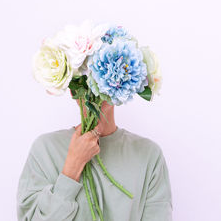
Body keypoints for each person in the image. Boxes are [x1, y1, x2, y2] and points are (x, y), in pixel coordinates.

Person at [16, 90, 173, 221]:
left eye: (104, 75)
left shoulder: (148, 154)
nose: (95, 88)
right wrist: (72, 167)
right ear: (72, 89)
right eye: (86, 75)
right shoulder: (45, 149)